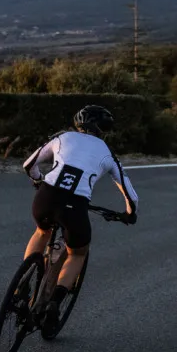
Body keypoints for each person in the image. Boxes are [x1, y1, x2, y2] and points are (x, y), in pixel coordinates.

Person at [21, 105, 138, 330]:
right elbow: (129, 194)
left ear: (79, 124)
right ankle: (54, 302)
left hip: (47, 197)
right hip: (74, 207)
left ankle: (22, 286)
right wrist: (129, 215)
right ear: (103, 130)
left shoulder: (63, 137)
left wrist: (37, 180)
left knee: (42, 231)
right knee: (78, 253)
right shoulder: (107, 153)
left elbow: (29, 165)